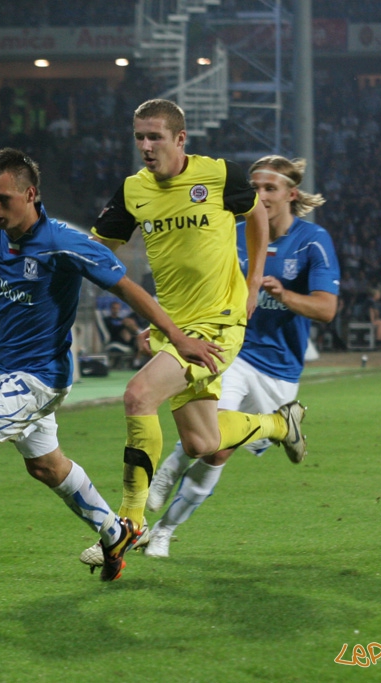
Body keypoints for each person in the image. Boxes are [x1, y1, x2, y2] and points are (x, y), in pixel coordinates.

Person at [0, 148, 209, 593]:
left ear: (31, 193)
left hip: (40, 378)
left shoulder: (65, 241)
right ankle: (113, 531)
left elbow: (126, 287)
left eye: (2, 198)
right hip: (7, 373)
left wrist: (177, 338)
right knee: (46, 466)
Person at [80, 99, 305, 568]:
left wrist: (251, 282)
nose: (145, 146)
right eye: (139, 136)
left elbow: (257, 216)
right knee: (203, 443)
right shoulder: (132, 191)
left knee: (139, 395)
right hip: (174, 328)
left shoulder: (221, 175)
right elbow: (97, 250)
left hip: (220, 324)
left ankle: (128, 524)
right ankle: (280, 424)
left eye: (154, 136)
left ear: (180, 139)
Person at [137, 155, 340, 557]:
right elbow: (196, 287)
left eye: (270, 188)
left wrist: (285, 295)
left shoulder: (312, 241)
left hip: (281, 370)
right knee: (213, 443)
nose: (260, 196)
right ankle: (165, 482)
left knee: (218, 454)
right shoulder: (232, 233)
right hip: (233, 351)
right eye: (255, 188)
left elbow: (326, 309)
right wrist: (167, 327)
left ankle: (164, 528)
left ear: (290, 194)